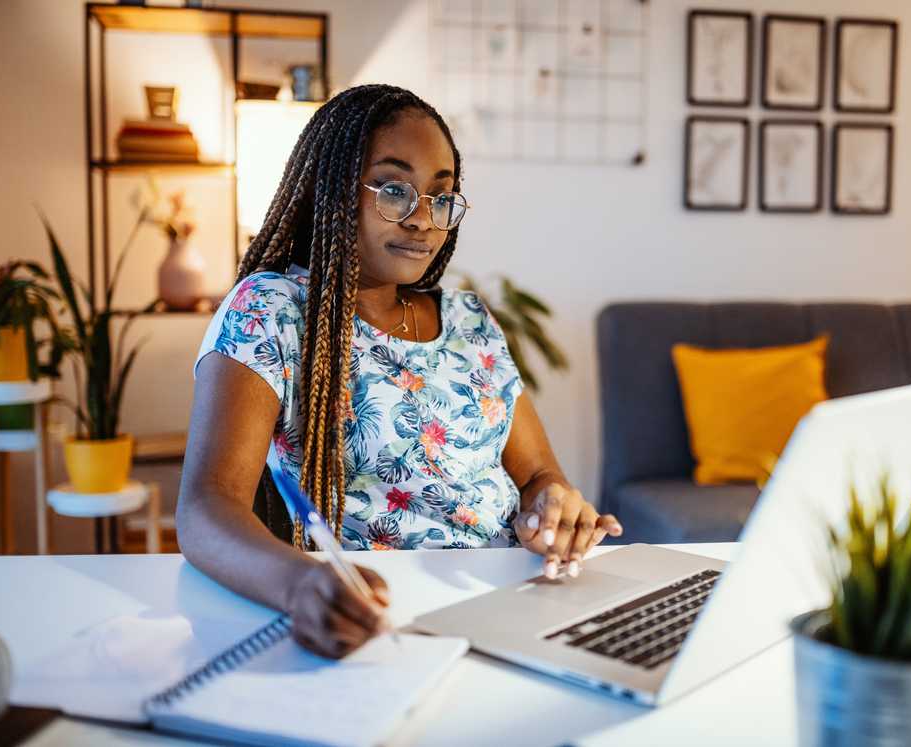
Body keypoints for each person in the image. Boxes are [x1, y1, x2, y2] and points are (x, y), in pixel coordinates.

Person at [177, 84, 622, 659]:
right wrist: (300, 584)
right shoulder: (272, 310)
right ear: (332, 190)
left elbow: (539, 474)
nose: (422, 220)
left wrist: (552, 506)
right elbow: (207, 507)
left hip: (521, 596)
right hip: (388, 615)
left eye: (441, 197)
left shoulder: (469, 319)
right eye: (394, 190)